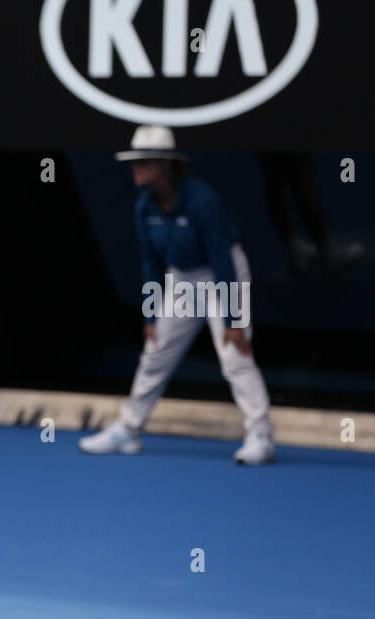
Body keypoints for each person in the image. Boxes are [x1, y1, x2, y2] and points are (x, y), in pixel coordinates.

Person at [80, 125, 276, 465]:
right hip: (181, 279)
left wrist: (233, 319)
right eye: (134, 162)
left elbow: (222, 260)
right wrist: (151, 315)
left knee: (235, 354)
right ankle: (128, 430)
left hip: (222, 273)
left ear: (165, 165)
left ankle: (261, 436)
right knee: (154, 354)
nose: (135, 169)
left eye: (143, 162)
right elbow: (152, 264)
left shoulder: (203, 200)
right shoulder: (144, 208)